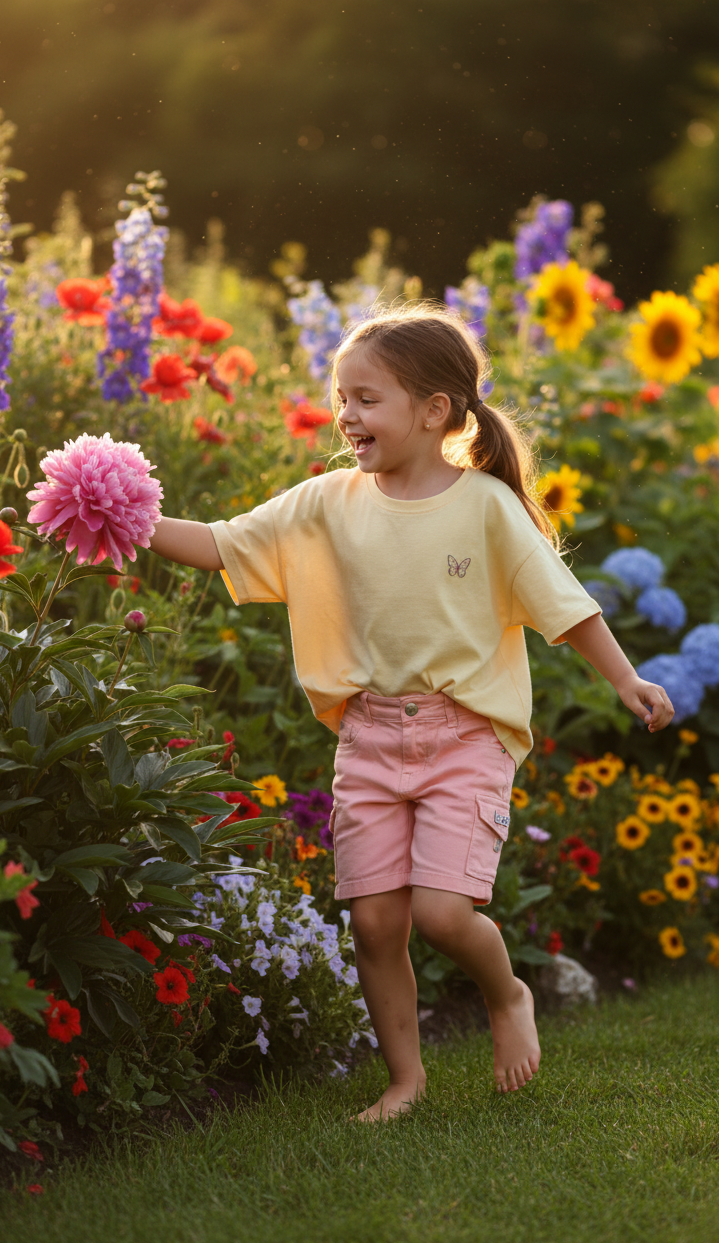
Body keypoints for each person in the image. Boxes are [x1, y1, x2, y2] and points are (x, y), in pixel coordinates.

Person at [148, 306, 674, 1121]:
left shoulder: (487, 509)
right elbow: (223, 543)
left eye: (366, 398)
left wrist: (626, 681)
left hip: (464, 734)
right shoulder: (328, 502)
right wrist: (126, 516)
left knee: (441, 914)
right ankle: (406, 1080)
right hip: (369, 735)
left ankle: (507, 996)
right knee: (374, 920)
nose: (345, 416)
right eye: (340, 397)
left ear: (434, 411)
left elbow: (565, 607)